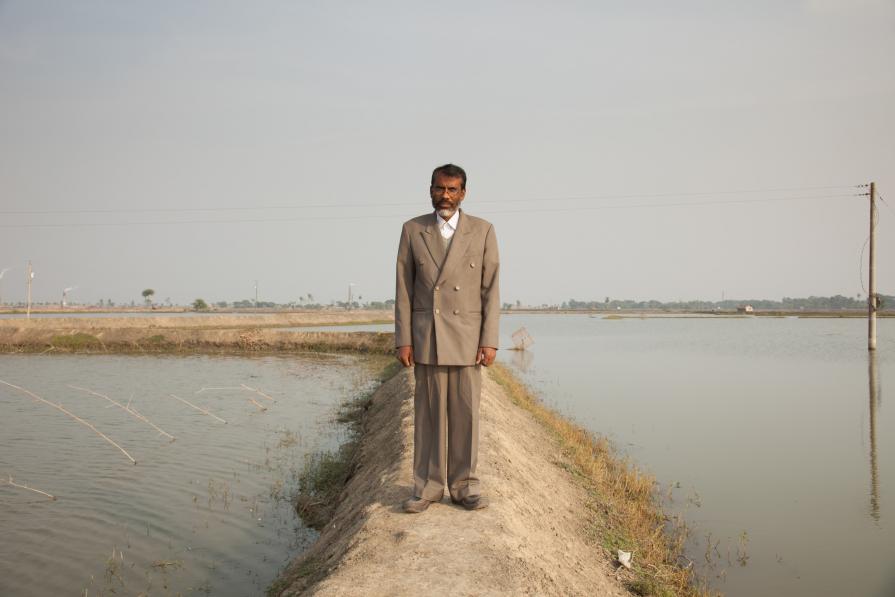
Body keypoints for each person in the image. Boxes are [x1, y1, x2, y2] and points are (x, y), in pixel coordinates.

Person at [394, 163, 500, 513]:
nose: (446, 195)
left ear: (463, 193)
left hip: (468, 338)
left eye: (453, 189)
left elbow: (491, 290)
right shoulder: (413, 230)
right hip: (428, 337)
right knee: (427, 416)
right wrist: (403, 339)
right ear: (430, 190)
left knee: (465, 416)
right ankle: (426, 487)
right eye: (440, 188)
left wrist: (490, 340)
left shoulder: (482, 231)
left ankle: (465, 486)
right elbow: (404, 291)